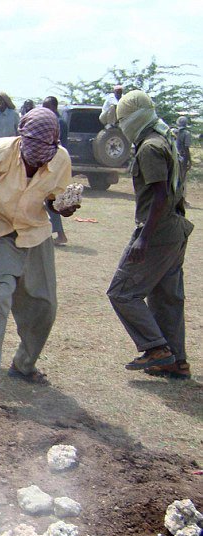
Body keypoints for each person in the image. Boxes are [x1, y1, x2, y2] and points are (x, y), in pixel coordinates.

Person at [0, 108, 78, 408]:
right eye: (31, 156)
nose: (36, 162)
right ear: (22, 140)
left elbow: (54, 202)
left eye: (43, 158)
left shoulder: (60, 159)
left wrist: (63, 209)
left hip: (36, 236)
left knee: (44, 307)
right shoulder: (0, 151)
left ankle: (24, 364)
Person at [107, 91, 193, 380]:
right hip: (175, 229)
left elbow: (160, 196)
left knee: (121, 292)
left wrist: (143, 238)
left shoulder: (149, 147)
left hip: (157, 230)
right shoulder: (165, 136)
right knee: (166, 297)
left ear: (132, 119)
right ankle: (176, 361)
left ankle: (156, 349)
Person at [43, 96, 70, 245]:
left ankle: (60, 234)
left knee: (50, 199)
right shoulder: (59, 122)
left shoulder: (57, 123)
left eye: (46, 106)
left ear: (53, 106)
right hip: (54, 162)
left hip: (54, 164)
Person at [174, 116, 192, 205]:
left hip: (173, 157)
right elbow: (186, 148)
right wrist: (189, 160)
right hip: (182, 158)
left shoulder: (173, 132)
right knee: (182, 179)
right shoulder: (187, 133)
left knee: (174, 177)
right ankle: (181, 199)